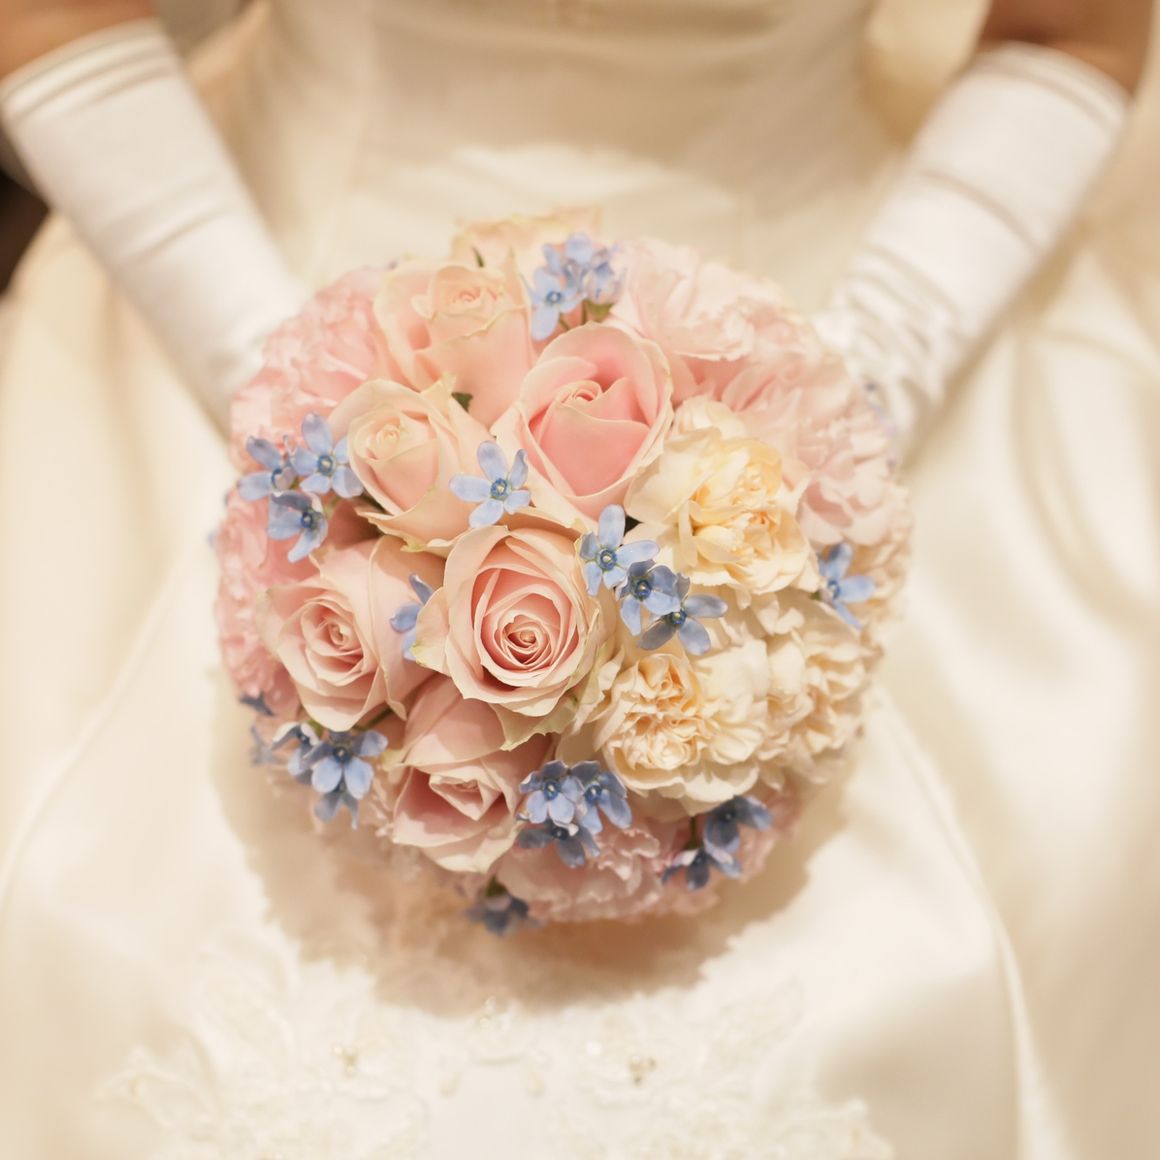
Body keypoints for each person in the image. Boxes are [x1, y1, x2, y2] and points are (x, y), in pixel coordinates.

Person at [0, 0, 1156, 1155]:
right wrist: (310, 432)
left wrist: (826, 426)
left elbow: (1071, 29)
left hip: (858, 299)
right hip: (239, 275)